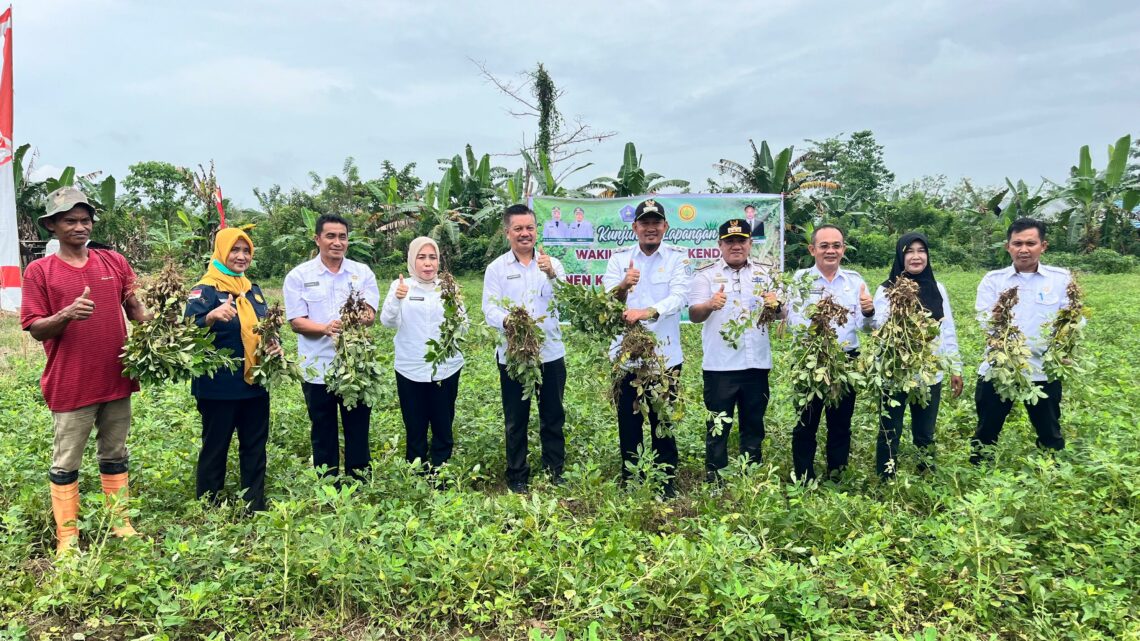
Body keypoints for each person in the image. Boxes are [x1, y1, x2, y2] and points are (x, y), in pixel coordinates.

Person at [20, 186, 150, 554]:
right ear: (52, 226)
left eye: (85, 220)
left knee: (115, 453)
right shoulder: (39, 271)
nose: (80, 226)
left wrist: (166, 320)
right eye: (69, 221)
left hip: (116, 377)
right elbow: (33, 327)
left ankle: (120, 523)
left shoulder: (113, 262)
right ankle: (67, 538)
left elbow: (136, 311)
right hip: (71, 382)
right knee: (66, 461)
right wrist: (65, 315)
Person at [184, 228, 283, 512]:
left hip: (253, 384)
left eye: (246, 251)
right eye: (235, 250)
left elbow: (267, 329)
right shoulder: (205, 289)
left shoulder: (252, 290)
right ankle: (209, 504)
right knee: (215, 446)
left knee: (255, 445)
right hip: (218, 387)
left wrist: (276, 345)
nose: (241, 256)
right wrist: (211, 317)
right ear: (221, 252)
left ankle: (254, 503)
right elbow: (183, 329)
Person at [603, 199, 690, 497]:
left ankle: (666, 481)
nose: (650, 228)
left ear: (665, 226)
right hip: (626, 357)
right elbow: (606, 302)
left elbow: (680, 297)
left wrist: (647, 311)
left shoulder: (678, 258)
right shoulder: (619, 260)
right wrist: (624, 286)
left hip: (665, 357)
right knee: (629, 421)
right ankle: (632, 479)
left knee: (662, 420)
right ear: (635, 227)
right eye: (644, 223)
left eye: (656, 222)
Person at [284, 214, 380, 481]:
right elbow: (296, 321)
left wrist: (358, 318)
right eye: (330, 236)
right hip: (318, 367)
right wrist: (324, 328)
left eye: (342, 237)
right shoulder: (299, 276)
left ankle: (359, 480)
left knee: (358, 428)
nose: (337, 242)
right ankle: (327, 484)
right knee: (323, 428)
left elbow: (370, 314)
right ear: (317, 239)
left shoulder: (362, 273)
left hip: (356, 368)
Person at [971, 218, 1072, 463]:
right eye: (1017, 243)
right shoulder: (994, 280)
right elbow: (985, 319)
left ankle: (1051, 471)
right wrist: (1010, 346)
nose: (1023, 249)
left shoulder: (1060, 279)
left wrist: (1064, 346)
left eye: (1030, 243)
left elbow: (1073, 319)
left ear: (1043, 246)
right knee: (987, 429)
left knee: (1049, 430)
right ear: (1008, 247)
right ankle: (979, 471)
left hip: (1042, 370)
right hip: (999, 368)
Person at [483, 204, 568, 493]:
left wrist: (552, 275)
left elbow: (567, 301)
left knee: (553, 414)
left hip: (550, 353)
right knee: (516, 418)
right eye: (518, 228)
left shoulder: (553, 264)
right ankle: (517, 475)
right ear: (508, 233)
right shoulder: (497, 269)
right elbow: (489, 309)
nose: (525, 233)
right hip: (514, 356)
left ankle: (555, 470)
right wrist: (508, 321)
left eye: (529, 228)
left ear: (536, 231)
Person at [689, 219, 781, 482]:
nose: (736, 246)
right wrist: (709, 304)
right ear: (720, 245)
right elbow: (694, 314)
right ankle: (715, 477)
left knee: (754, 425)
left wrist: (775, 304)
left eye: (741, 240)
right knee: (718, 426)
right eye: (730, 241)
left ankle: (750, 477)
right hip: (720, 367)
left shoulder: (766, 273)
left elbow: (781, 313)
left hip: (756, 365)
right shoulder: (705, 274)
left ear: (750, 243)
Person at [870, 233, 963, 478]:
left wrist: (955, 367)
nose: (916, 256)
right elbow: (876, 326)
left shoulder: (937, 288)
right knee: (889, 430)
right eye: (909, 251)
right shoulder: (886, 289)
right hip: (894, 372)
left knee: (925, 432)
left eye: (921, 250)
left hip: (929, 373)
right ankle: (885, 478)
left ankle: (926, 475)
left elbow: (948, 329)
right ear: (900, 256)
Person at [787, 224, 874, 482]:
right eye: (824, 245)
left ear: (843, 249)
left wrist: (869, 311)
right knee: (806, 422)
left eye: (836, 245)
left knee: (840, 424)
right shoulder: (800, 279)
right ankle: (804, 477)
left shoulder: (855, 281)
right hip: (809, 359)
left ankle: (837, 475)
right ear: (812, 249)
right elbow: (792, 319)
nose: (831, 250)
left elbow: (865, 327)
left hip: (846, 361)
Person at [381, 237, 464, 473]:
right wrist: (397, 298)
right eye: (421, 257)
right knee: (415, 426)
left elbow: (464, 326)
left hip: (446, 368)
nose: (428, 263)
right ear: (412, 260)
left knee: (443, 424)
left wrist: (455, 308)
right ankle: (417, 473)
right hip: (410, 368)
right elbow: (387, 322)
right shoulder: (401, 287)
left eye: (432, 257)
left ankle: (441, 471)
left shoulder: (449, 286)